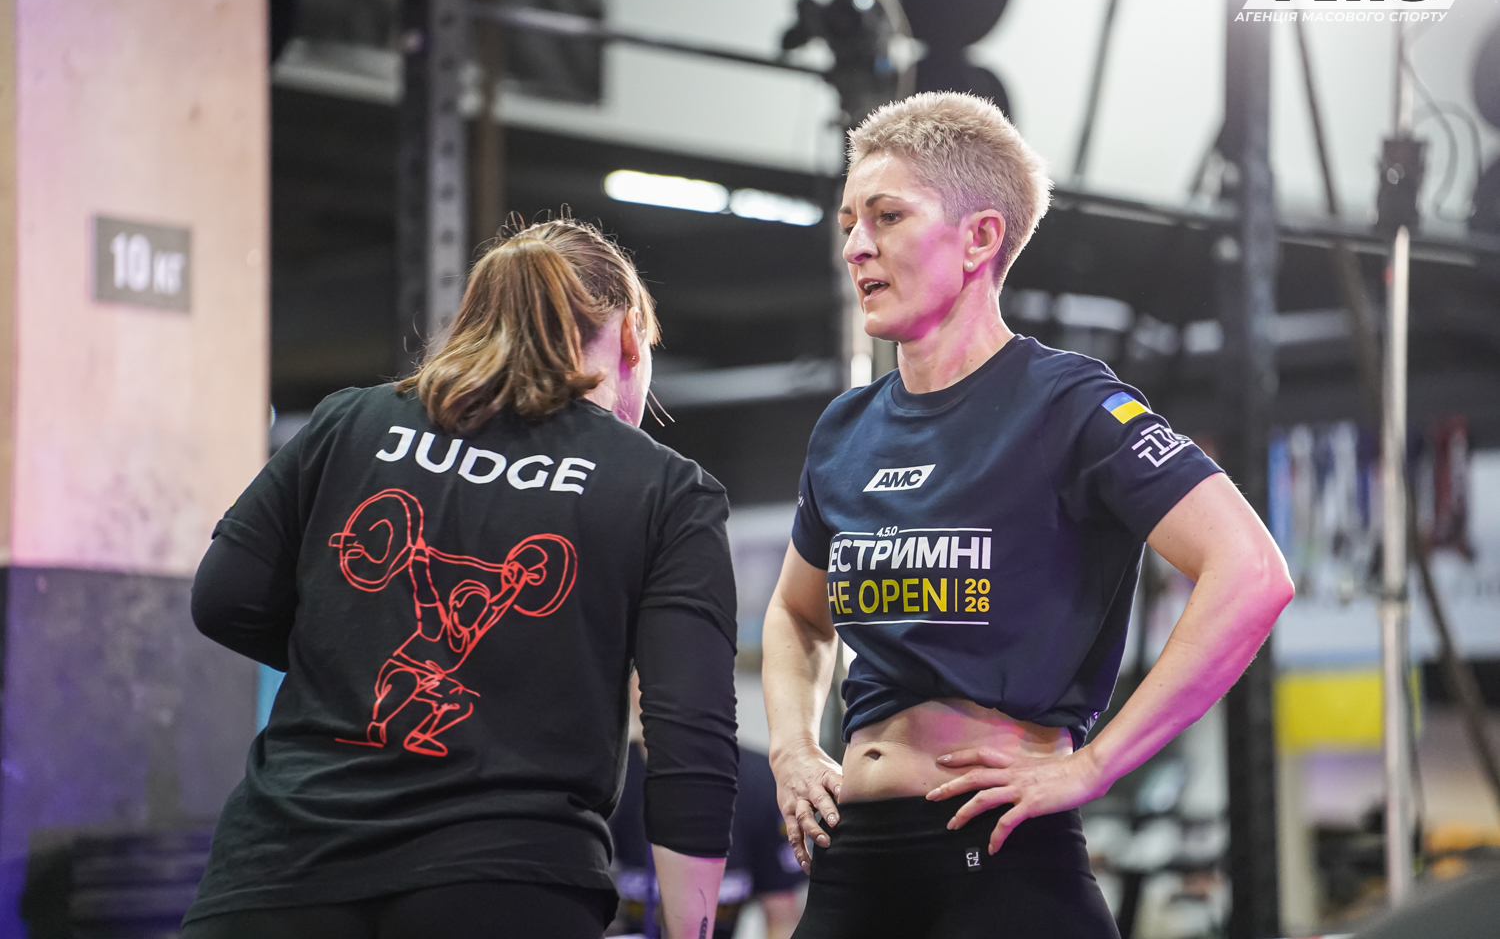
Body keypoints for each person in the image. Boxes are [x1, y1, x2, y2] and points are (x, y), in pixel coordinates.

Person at [761, 92, 1295, 939]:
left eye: (888, 216)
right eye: (850, 222)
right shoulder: (846, 429)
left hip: (1003, 858)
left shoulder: (1067, 404)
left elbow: (1253, 573)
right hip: (853, 863)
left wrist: (1096, 765)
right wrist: (791, 746)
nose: (857, 245)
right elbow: (797, 613)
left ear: (979, 238)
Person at [182, 218, 739, 939]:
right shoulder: (664, 488)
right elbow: (690, 737)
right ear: (631, 336)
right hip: (507, 880)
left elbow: (223, 599)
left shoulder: (348, 423)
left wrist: (348, 656)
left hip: (278, 871)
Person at [608, 675, 805, 939]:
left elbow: (782, 916)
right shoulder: (604, 779)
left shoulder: (761, 783)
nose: (668, 693)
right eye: (646, 674)